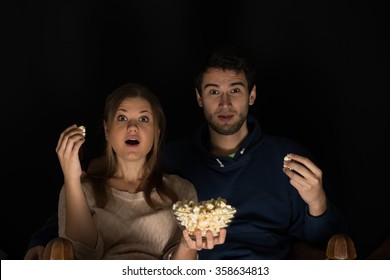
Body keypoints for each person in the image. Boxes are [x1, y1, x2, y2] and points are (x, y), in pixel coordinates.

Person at [25, 46, 347, 260]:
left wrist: (317, 203)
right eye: (213, 92)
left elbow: (327, 243)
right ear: (198, 98)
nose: (224, 104)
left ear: (251, 96)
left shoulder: (288, 158)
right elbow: (90, 198)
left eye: (234, 90)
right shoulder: (171, 161)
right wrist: (39, 242)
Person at [31, 82, 225, 260]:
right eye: (122, 118)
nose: (132, 127)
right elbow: (81, 257)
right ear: (107, 129)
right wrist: (72, 179)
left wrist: (187, 244)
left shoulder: (182, 190)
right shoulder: (79, 189)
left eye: (143, 119)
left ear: (156, 131)